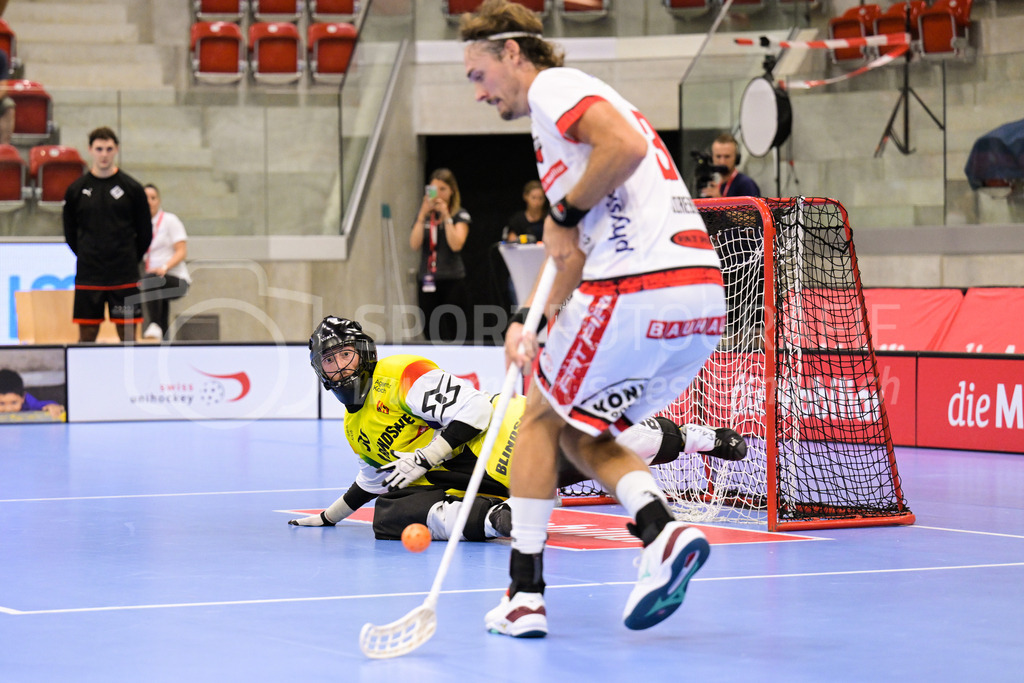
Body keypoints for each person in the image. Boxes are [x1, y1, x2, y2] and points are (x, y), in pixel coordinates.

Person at [461, 0, 729, 638]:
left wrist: (562, 209)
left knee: (537, 420)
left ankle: (525, 596)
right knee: (584, 433)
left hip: (638, 287)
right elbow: (572, 253)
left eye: (478, 75)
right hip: (697, 298)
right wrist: (533, 320)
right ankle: (661, 531)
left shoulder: (556, 87)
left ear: (512, 53)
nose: (478, 93)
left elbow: (625, 148)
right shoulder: (558, 127)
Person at [288, 316, 745, 542]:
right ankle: (496, 520)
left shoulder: (403, 375)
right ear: (320, 372)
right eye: (329, 361)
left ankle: (697, 438)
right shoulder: (354, 428)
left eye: (344, 354)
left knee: (617, 444)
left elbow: (474, 412)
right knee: (387, 515)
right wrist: (327, 518)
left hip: (510, 436)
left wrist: (424, 457)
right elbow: (373, 480)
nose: (340, 367)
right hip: (479, 479)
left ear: (363, 353)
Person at [62, 126, 151, 343]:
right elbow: (70, 233)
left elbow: (145, 233)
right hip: (89, 275)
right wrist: (87, 254)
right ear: (90, 150)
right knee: (87, 335)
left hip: (124, 275)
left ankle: (132, 377)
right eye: (99, 149)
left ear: (116, 150)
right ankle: (85, 376)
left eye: (109, 149)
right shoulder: (76, 190)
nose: (104, 154)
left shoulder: (132, 189)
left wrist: (128, 257)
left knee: (128, 336)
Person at [409, 168, 471, 342]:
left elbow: (456, 244)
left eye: (443, 189)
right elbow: (414, 244)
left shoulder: (459, 214)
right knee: (429, 327)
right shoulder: (425, 216)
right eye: (434, 190)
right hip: (428, 278)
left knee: (454, 328)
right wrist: (422, 215)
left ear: (452, 191)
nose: (439, 195)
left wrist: (446, 217)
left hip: (452, 278)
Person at [139, 184, 191, 341]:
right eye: (145, 198)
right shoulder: (140, 226)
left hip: (176, 279)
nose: (149, 202)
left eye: (153, 198)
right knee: (159, 303)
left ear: (159, 200)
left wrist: (164, 267)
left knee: (151, 281)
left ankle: (154, 324)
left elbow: (182, 251)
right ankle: (164, 338)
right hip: (156, 280)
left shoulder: (170, 221)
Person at [699, 132, 761, 198]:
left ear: (737, 158)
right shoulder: (716, 186)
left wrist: (719, 200)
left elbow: (754, 208)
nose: (722, 161)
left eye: (727, 156)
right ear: (712, 158)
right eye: (718, 156)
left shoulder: (746, 184)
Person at [0, 368, 64, 419]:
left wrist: (52, 406)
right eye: (2, 403)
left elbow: (41, 405)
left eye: (14, 402)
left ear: (23, 398)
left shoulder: (28, 402)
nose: (8, 409)